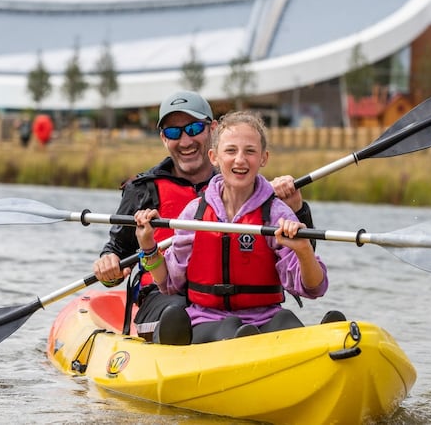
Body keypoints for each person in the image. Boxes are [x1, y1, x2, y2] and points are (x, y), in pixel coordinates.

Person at [93, 91, 317, 342]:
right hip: (166, 294)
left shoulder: (242, 178)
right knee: (177, 310)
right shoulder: (143, 189)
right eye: (173, 132)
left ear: (211, 130)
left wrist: (297, 209)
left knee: (273, 320)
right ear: (163, 139)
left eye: (194, 128)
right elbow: (119, 251)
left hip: (244, 306)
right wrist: (109, 262)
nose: (185, 140)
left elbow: (303, 263)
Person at [133, 111, 336, 345]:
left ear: (263, 158)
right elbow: (169, 283)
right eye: (231, 151)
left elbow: (314, 288)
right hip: (205, 321)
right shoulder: (194, 214)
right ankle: (235, 344)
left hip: (265, 320)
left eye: (250, 151)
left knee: (286, 320)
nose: (240, 159)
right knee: (230, 327)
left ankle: (320, 344)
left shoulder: (276, 214)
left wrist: (303, 250)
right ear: (214, 157)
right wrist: (148, 246)